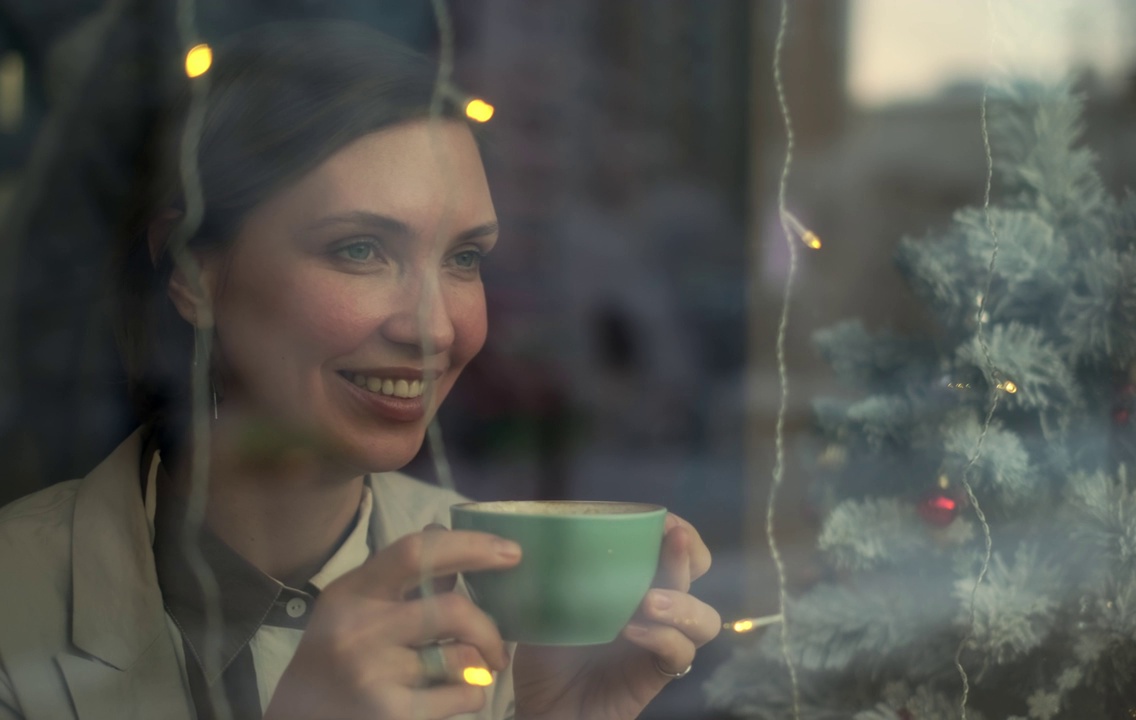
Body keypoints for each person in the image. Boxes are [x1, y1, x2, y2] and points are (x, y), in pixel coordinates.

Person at [0, 20, 719, 720]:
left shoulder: (503, 592)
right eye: (359, 250)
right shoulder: (15, 601)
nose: (434, 328)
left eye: (464, 258)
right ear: (191, 272)